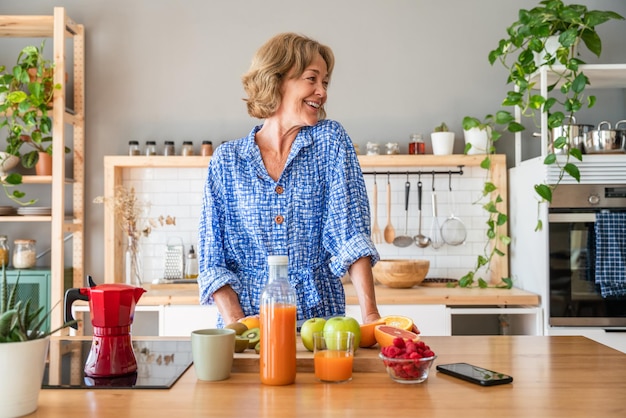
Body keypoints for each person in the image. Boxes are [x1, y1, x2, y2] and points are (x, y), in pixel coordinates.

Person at [197, 32, 380, 328]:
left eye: (325, 82)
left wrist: (370, 315)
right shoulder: (227, 161)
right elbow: (212, 260)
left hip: (320, 326)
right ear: (277, 79)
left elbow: (351, 234)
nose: (322, 92)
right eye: (312, 79)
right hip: (248, 325)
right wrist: (240, 325)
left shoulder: (330, 142)